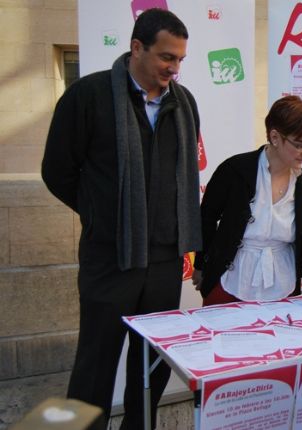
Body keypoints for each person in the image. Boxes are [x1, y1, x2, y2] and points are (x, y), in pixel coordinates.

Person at [41, 9, 201, 429]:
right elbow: (57, 171)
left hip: (165, 261)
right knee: (95, 363)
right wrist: (102, 215)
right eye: (167, 56)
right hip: (109, 259)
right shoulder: (89, 96)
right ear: (136, 48)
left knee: (151, 366)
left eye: (180, 59)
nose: (174, 67)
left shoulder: (184, 104)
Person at [192, 95, 302, 312]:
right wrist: (200, 265)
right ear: (275, 136)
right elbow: (206, 219)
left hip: (282, 283)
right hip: (230, 278)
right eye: (301, 145)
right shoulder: (234, 170)